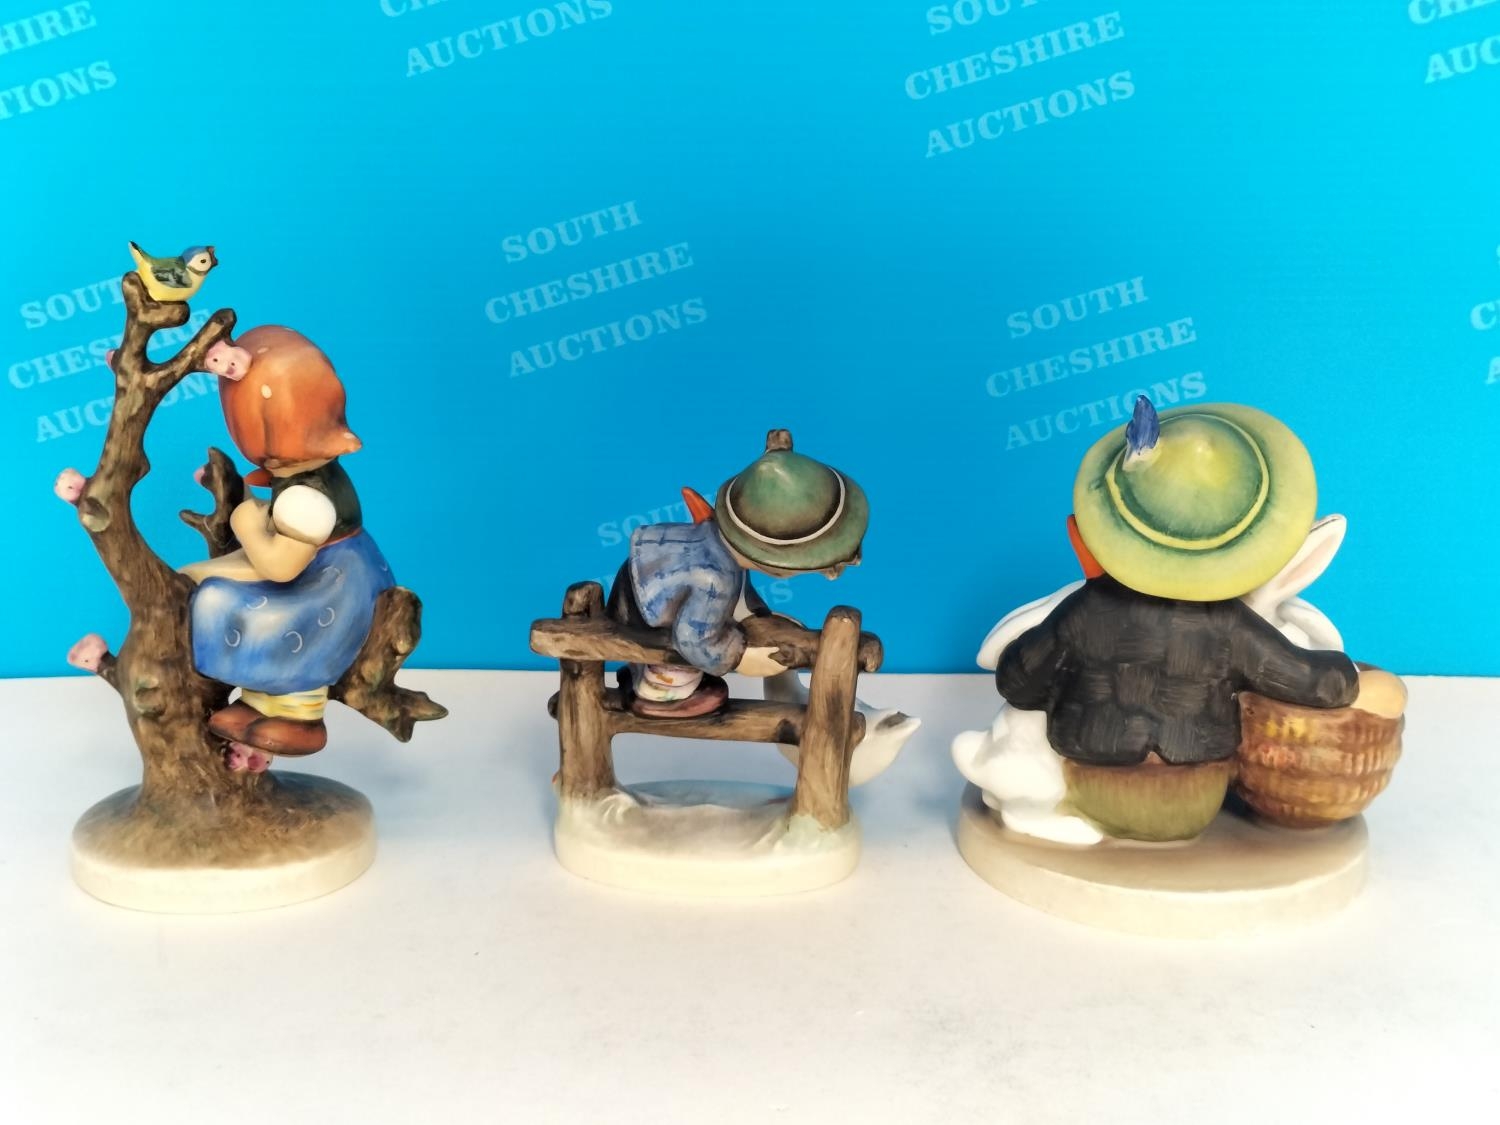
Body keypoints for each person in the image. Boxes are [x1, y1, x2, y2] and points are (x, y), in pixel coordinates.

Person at [181, 326, 393, 771]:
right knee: (220, 594)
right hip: (321, 568)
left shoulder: (305, 497)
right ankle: (258, 702)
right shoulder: (298, 483)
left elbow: (278, 567)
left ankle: (301, 717)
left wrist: (244, 524)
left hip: (332, 589)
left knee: (271, 621)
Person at [608, 430, 866, 717]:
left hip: (646, 582)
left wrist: (757, 617)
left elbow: (739, 592)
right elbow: (694, 639)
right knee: (694, 677)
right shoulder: (715, 578)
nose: (829, 574)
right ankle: (657, 691)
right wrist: (742, 657)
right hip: (642, 614)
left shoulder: (723, 547)